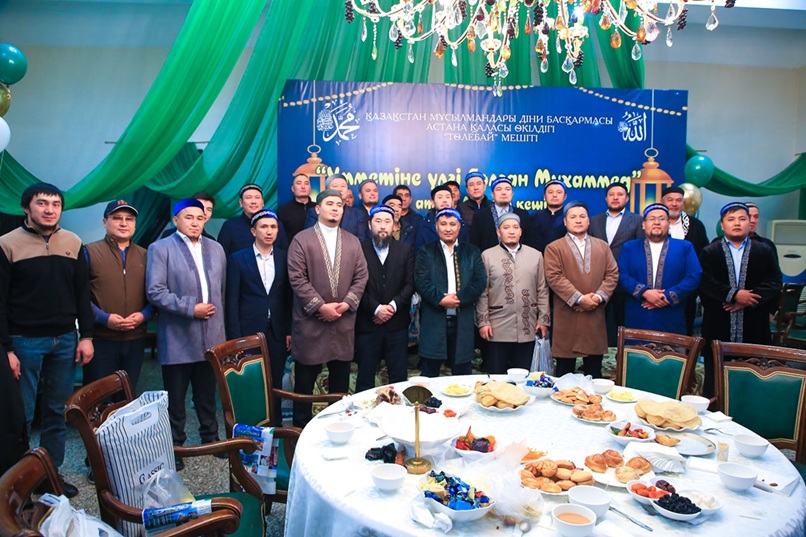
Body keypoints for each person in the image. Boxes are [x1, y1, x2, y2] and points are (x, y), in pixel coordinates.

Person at [0, 182, 94, 497]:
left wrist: (86, 336)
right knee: (21, 415)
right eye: (42, 203)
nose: (49, 210)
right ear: (26, 207)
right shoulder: (6, 244)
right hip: (23, 341)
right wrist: (6, 349)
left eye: (55, 204)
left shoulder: (73, 242)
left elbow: (82, 293)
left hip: (65, 339)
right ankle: (17, 482)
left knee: (57, 412)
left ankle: (50, 476)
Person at [147, 199, 227, 470]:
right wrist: (190, 308)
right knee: (176, 397)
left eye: (199, 218)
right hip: (178, 336)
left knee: (207, 394)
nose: (195, 222)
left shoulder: (216, 248)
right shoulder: (161, 248)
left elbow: (222, 292)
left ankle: (211, 438)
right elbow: (155, 291)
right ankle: (175, 447)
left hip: (212, 336)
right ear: (175, 220)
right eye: (188, 217)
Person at [288, 190, 368, 427]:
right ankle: (300, 434)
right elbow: (297, 278)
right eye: (329, 203)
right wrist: (320, 307)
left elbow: (362, 276)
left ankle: (338, 431)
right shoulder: (302, 240)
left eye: (339, 205)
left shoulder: (353, 241)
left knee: (339, 390)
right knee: (304, 387)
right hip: (311, 324)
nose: (335, 208)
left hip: (342, 323)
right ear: (317, 209)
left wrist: (347, 304)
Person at [699, 202, 782, 398]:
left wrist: (748, 298)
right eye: (731, 219)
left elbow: (775, 281)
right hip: (719, 322)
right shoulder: (710, 251)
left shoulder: (764, 250)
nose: (737, 223)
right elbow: (704, 284)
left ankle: (750, 409)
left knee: (753, 374)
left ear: (749, 222)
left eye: (742, 219)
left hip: (755, 322)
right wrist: (734, 295)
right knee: (715, 376)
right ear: (722, 225)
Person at [225, 209, 290, 424]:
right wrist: (235, 339)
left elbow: (288, 297)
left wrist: (289, 330)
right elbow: (232, 301)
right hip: (248, 331)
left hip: (277, 330)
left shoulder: (284, 257)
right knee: (251, 381)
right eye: (264, 227)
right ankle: (251, 427)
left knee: (276, 380)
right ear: (253, 231)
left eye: (273, 227)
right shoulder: (237, 259)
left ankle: (276, 426)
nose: (269, 231)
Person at [544, 201, 618, 379]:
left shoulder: (602, 246)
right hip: (567, 315)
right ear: (565, 221)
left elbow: (612, 274)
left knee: (594, 373)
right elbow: (554, 277)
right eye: (573, 217)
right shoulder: (554, 248)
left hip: (594, 314)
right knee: (564, 375)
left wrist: (597, 297)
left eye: (582, 216)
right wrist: (579, 299)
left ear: (588, 221)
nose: (578, 220)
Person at [84, 199, 152, 391]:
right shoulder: (89, 252)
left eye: (129, 219)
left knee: (127, 395)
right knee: (99, 395)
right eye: (117, 218)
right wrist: (104, 319)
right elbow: (79, 296)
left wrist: (144, 315)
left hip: (135, 338)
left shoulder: (147, 254)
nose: (123, 223)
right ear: (105, 222)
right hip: (101, 338)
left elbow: (155, 294)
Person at [415, 208, 486, 377]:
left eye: (452, 224)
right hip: (434, 320)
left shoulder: (472, 252)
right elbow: (421, 281)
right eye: (443, 224)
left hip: (462, 321)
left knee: (462, 376)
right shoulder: (426, 251)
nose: (448, 228)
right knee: (429, 374)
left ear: (459, 227)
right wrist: (440, 299)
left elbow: (480, 281)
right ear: (436, 227)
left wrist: (459, 298)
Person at [476, 213, 550, 374]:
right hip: (497, 327)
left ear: (520, 231)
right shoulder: (487, 256)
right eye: (506, 227)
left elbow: (542, 290)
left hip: (527, 326)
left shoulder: (535, 255)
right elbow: (482, 292)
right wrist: (483, 322)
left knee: (524, 376)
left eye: (515, 227)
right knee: (496, 377)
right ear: (498, 232)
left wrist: (543, 320)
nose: (511, 231)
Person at [355, 205, 415, 392]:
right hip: (367, 323)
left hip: (397, 324)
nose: (382, 226)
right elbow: (355, 285)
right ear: (369, 225)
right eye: (378, 221)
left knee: (398, 378)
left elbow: (410, 284)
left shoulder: (405, 250)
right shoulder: (358, 249)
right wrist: (376, 309)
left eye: (387, 221)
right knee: (365, 378)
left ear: (394, 226)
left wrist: (391, 307)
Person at [617, 203, 702, 335]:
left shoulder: (685, 247)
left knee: (671, 348)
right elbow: (622, 275)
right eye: (652, 219)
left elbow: (694, 276)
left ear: (669, 223)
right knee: (637, 348)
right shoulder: (629, 247)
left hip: (671, 316)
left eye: (661, 219)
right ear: (643, 224)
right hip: (638, 314)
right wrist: (645, 292)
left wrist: (666, 297)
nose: (657, 222)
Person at [589, 183, 645, 345]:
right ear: (606, 198)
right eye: (611, 194)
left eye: (620, 194)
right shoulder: (594, 220)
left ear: (627, 198)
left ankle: (622, 355)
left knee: (623, 324)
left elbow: (640, 251)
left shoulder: (637, 220)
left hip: (625, 282)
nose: (615, 198)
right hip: (598, 282)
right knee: (597, 325)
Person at [660, 186, 709, 335]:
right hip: (659, 289)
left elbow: (703, 257)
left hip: (687, 290)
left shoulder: (696, 226)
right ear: (662, 202)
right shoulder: (655, 224)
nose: (674, 204)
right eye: (670, 200)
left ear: (683, 203)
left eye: (678, 200)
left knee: (684, 331)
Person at [470, 175, 537, 251]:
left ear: (512, 194)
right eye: (499, 189)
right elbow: (474, 245)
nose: (503, 193)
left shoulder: (523, 215)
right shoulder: (480, 216)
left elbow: (529, 243)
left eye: (507, 189)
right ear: (492, 195)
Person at [219, 184, 288, 257]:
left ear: (262, 202)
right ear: (241, 203)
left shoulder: (276, 225)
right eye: (248, 198)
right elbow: (221, 256)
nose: (253, 201)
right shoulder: (230, 226)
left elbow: (284, 253)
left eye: (257, 197)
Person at [304, 174, 369, 240]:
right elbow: (309, 238)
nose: (340, 189)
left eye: (343, 186)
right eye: (335, 186)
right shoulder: (315, 212)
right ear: (327, 190)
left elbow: (360, 241)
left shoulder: (358, 214)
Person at [415, 185, 469, 250]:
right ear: (432, 202)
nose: (444, 200)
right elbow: (419, 250)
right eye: (440, 197)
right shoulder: (424, 224)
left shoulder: (461, 222)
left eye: (447, 197)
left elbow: (466, 249)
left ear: (452, 201)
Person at [532, 180, 568, 253]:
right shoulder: (534, 217)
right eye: (550, 192)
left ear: (565, 196)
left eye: (559, 192)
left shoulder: (570, 217)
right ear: (544, 196)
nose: (554, 195)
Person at [277, 173, 316, 242]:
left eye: (306, 183)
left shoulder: (319, 208)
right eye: (299, 183)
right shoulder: (283, 210)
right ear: (293, 188)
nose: (303, 186)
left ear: (310, 188)